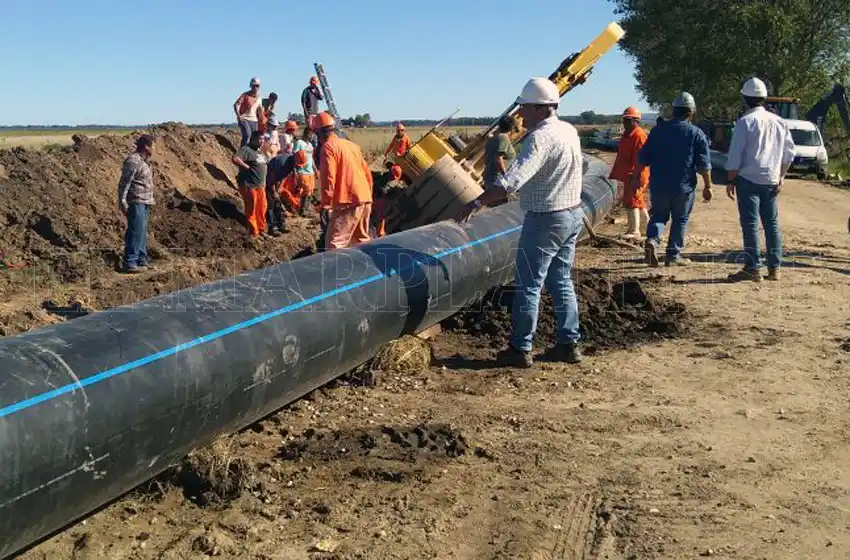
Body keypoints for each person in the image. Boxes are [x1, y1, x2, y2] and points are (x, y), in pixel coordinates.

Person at [456, 78, 585, 368]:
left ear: (540, 108)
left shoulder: (540, 138)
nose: (520, 114)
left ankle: (520, 348)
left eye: (524, 108)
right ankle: (569, 343)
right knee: (561, 280)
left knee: (529, 284)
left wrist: (476, 203)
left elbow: (511, 182)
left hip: (545, 219)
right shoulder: (569, 130)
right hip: (572, 214)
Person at [725, 77, 795, 282]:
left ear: (745, 99)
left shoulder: (745, 122)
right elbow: (789, 153)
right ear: (764, 98)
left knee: (750, 224)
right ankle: (775, 268)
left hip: (748, 179)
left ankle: (752, 267)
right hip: (772, 179)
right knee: (772, 224)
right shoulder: (779, 122)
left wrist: (730, 179)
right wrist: (781, 175)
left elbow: (735, 153)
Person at [633, 92, 713, 267]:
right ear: (690, 112)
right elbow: (704, 164)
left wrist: (636, 177)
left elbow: (642, 157)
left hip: (659, 185)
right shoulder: (696, 133)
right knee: (680, 219)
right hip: (683, 187)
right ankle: (673, 254)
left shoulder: (658, 131)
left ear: (673, 111)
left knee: (659, 216)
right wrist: (708, 186)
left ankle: (652, 241)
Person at [316, 112, 374, 249]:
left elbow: (329, 177)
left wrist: (325, 203)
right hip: (364, 199)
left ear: (319, 134)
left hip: (347, 201)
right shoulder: (352, 146)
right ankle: (366, 270)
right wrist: (367, 196)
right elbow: (367, 174)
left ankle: (335, 271)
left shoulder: (328, 148)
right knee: (362, 242)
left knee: (334, 245)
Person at [609, 106, 650, 238]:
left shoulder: (638, 136)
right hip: (630, 174)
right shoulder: (628, 135)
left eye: (627, 120)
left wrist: (635, 177)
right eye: (624, 119)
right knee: (638, 201)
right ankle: (646, 230)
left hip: (636, 175)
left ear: (635, 121)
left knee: (632, 201)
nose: (624, 123)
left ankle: (634, 231)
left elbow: (641, 160)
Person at [118, 135, 156, 274]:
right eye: (153, 145)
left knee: (141, 232)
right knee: (135, 231)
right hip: (136, 201)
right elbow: (124, 183)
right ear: (146, 146)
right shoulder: (133, 160)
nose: (154, 149)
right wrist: (122, 202)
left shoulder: (144, 161)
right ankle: (130, 262)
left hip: (145, 201)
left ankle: (141, 260)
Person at [232, 131, 268, 238]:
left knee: (262, 208)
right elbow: (235, 158)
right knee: (251, 208)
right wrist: (245, 166)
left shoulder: (259, 152)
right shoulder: (246, 150)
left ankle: (261, 229)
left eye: (263, 139)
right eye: (259, 139)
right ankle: (254, 233)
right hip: (249, 185)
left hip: (260, 186)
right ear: (253, 139)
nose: (261, 141)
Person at [266, 151, 296, 236]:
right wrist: (274, 192)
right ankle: (272, 228)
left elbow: (282, 177)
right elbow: (271, 177)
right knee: (270, 204)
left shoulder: (291, 163)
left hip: (275, 180)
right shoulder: (282, 163)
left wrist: (278, 189)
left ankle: (281, 225)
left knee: (278, 203)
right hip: (267, 179)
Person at [372, 164, 406, 237]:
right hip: (379, 203)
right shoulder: (394, 183)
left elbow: (383, 192)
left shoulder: (390, 183)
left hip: (378, 203)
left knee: (379, 220)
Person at [234, 77, 263, 147]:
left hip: (254, 120)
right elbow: (236, 104)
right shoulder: (245, 95)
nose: (255, 87)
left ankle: (250, 155)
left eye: (257, 86)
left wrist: (261, 119)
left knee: (254, 138)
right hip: (244, 119)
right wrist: (238, 116)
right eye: (254, 85)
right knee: (247, 136)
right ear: (251, 86)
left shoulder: (259, 98)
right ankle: (241, 153)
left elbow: (259, 110)